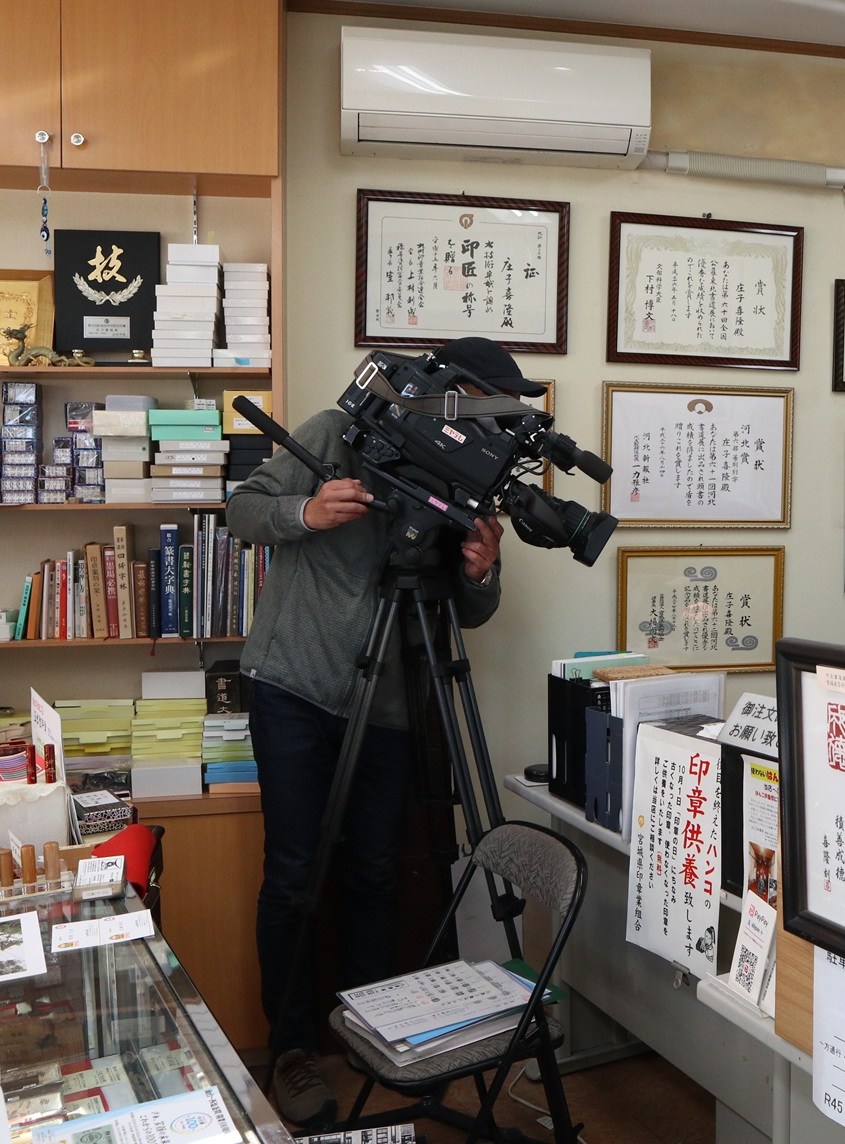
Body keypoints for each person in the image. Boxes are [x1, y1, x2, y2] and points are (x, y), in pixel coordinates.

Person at [226, 336, 543, 1130]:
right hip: (295, 681)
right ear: (449, 394)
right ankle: (292, 1049)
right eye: (488, 407)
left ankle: (376, 1034)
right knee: (294, 872)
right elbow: (242, 511)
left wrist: (481, 571)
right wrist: (306, 511)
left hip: (391, 700)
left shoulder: (466, 477)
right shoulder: (338, 432)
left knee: (374, 870)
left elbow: (469, 612)